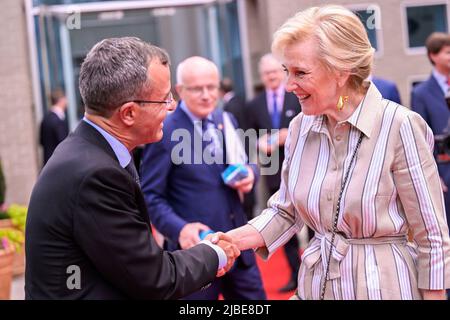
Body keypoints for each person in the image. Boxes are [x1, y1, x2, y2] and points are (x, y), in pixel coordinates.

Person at [210, 5, 450, 300]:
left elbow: (432, 236)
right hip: (316, 285)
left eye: (300, 73)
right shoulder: (299, 126)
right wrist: (233, 239)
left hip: (384, 288)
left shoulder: (400, 126)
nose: (288, 85)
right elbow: (285, 211)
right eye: (287, 71)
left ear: (341, 71)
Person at [25, 37, 240, 300]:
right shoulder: (96, 174)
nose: (172, 106)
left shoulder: (90, 152)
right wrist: (214, 253)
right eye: (164, 100)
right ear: (128, 113)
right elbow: (154, 277)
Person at [140, 56, 266, 300]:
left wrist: (251, 173)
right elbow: (150, 195)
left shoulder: (225, 119)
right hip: (194, 256)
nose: (207, 95)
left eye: (212, 87)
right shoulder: (165, 130)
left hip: (238, 247)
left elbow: (248, 160)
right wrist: (180, 228)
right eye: (197, 89)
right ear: (179, 91)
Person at [246, 53, 302, 293]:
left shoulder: (298, 96)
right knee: (284, 225)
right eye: (266, 73)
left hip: (302, 168)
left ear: (283, 72)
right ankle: (296, 275)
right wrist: (259, 143)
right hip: (273, 172)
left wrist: (286, 135)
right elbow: (247, 137)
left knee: (312, 226)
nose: (271, 77)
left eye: (275, 72)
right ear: (262, 77)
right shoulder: (254, 105)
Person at [411, 32, 450, 226]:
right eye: (448, 52)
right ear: (433, 56)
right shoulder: (420, 93)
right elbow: (420, 139)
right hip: (443, 174)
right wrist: (434, 175)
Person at [39, 88, 69, 166]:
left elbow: (41, 141)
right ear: (61, 100)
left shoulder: (45, 118)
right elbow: (64, 144)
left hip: (47, 164)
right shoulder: (58, 121)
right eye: (65, 98)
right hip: (59, 164)